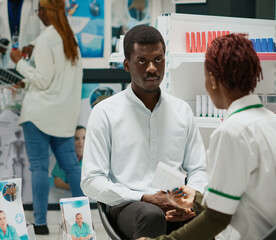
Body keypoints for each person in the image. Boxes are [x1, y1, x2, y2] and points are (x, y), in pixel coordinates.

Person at [144, 33, 276, 240]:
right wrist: (196, 199)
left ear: (213, 80)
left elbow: (217, 219)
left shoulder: (232, 132)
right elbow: (252, 198)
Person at [81, 24, 208, 240]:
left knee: (207, 215)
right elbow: (91, 180)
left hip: (174, 200)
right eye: (142, 61)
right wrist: (143, 197)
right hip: (130, 205)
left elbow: (198, 170)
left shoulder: (181, 111)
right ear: (127, 65)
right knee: (151, 214)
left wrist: (188, 201)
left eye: (158, 59)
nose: (152, 68)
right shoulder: (105, 112)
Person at [9, 0, 84, 235]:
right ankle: (84, 220)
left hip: (39, 114)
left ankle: (40, 224)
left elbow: (42, 80)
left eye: (39, 9)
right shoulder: (70, 40)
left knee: (39, 168)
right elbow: (56, 77)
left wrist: (19, 61)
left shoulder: (45, 40)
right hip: (64, 116)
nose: (37, 13)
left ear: (46, 11)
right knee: (72, 167)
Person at [0, 0, 43, 68]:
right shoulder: (1, 3)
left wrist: (33, 44)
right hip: (6, 63)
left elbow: (47, 30)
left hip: (30, 63)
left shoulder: (36, 3)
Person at [52, 126, 86, 190]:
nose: (81, 142)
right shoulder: (64, 157)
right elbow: (57, 182)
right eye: (76, 138)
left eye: (84, 138)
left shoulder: (93, 159)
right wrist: (75, 187)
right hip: (67, 195)